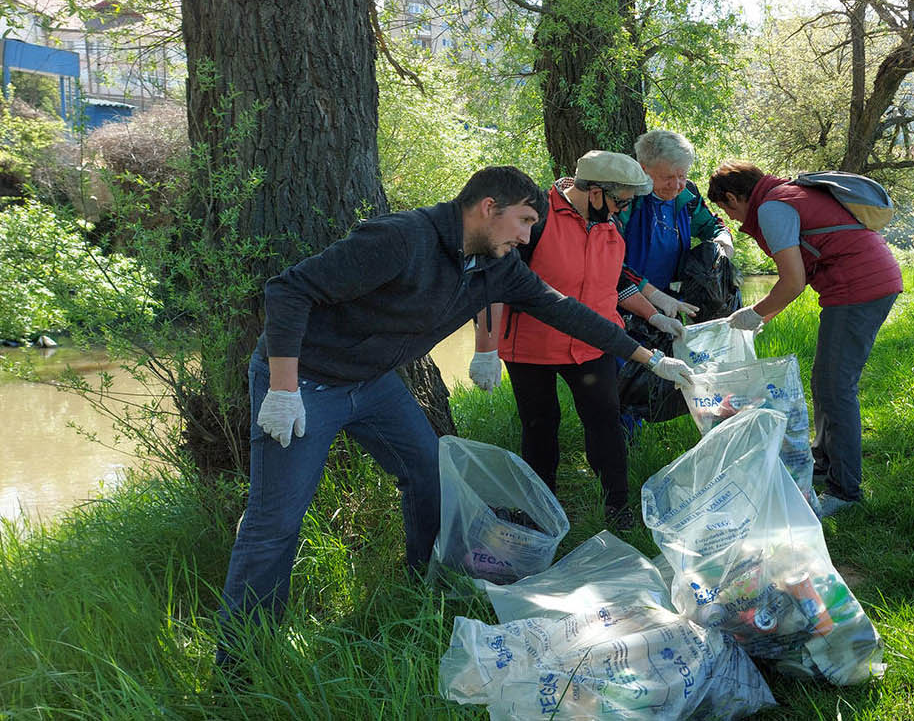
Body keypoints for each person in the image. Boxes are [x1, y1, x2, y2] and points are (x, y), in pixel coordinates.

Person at [217, 166, 693, 670]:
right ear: (488, 207)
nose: (528, 236)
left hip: (374, 382)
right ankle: (240, 661)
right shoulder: (400, 238)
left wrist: (650, 358)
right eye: (525, 222)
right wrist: (284, 388)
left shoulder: (496, 264)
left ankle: (422, 581)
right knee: (276, 520)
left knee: (429, 475)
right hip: (305, 382)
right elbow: (288, 290)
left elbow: (566, 311)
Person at [469, 151, 686, 530]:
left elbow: (613, 283)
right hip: (532, 347)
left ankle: (618, 509)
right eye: (620, 201)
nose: (623, 210)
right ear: (597, 192)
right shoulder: (536, 220)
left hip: (592, 344)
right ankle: (540, 512)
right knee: (540, 425)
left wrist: (653, 313)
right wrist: (485, 350)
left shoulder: (609, 227)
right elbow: (494, 283)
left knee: (605, 419)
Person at [706, 161, 902, 518]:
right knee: (825, 381)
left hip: (859, 288)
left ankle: (845, 493)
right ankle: (825, 462)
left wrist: (755, 313)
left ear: (734, 196)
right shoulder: (787, 194)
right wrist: (762, 315)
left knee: (836, 387)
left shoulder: (772, 208)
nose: (733, 219)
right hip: (867, 282)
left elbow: (792, 282)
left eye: (727, 209)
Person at [618, 129, 735, 318]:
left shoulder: (687, 196)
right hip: (625, 302)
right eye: (667, 178)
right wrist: (654, 296)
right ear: (643, 168)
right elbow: (610, 263)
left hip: (672, 303)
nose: (676, 185)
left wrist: (724, 245)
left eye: (682, 176)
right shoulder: (626, 200)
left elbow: (712, 226)